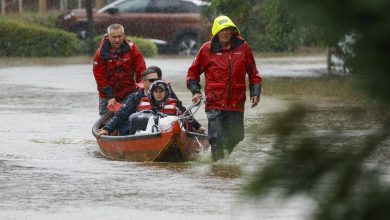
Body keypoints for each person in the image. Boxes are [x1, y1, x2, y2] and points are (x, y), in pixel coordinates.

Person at [186, 15, 262, 161]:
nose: (225, 33)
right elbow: (192, 74)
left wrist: (255, 92)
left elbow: (253, 73)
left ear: (233, 31)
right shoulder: (206, 49)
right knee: (216, 137)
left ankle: (221, 159)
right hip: (215, 102)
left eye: (228, 29)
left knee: (237, 137)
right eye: (222, 30)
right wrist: (196, 91)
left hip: (236, 102)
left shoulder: (243, 47)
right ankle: (217, 168)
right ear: (216, 32)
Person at [98, 67, 204, 136]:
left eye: (158, 79)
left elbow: (183, 111)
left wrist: (198, 127)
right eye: (152, 80)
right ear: (143, 82)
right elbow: (122, 115)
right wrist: (107, 128)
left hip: (165, 132)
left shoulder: (168, 93)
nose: (156, 82)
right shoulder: (135, 97)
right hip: (139, 133)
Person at [93, 23, 146, 116]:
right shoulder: (100, 53)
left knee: (132, 117)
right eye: (114, 37)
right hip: (106, 95)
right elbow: (100, 77)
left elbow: (141, 71)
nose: (117, 40)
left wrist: (141, 90)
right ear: (108, 36)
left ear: (124, 36)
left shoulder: (132, 49)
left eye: (119, 36)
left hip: (129, 92)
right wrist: (110, 97)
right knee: (105, 120)